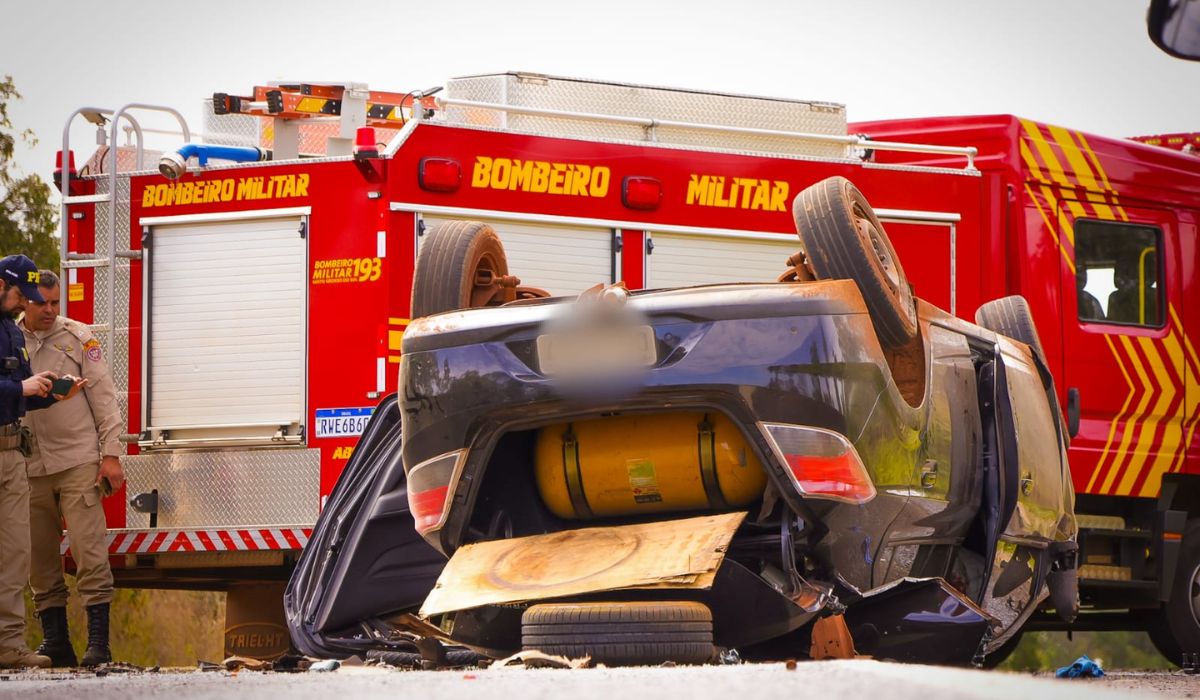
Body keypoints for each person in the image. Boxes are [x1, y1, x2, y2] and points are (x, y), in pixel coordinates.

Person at [21, 270, 123, 667]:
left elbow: (104, 397)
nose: (49, 310)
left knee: (89, 552)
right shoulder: (10, 339)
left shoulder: (79, 338)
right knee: (39, 559)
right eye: (40, 302)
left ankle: (99, 644)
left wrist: (110, 454)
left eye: (54, 302)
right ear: (24, 301)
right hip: (29, 466)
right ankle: (56, 643)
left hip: (77, 461)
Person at [0, 255, 84, 669]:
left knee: (15, 554)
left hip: (12, 452)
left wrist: (52, 392)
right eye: (22, 295)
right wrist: (19, 387)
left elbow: (24, 387)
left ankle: (9, 646)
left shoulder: (9, 331)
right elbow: (15, 386)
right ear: (1, 284)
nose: (26, 305)